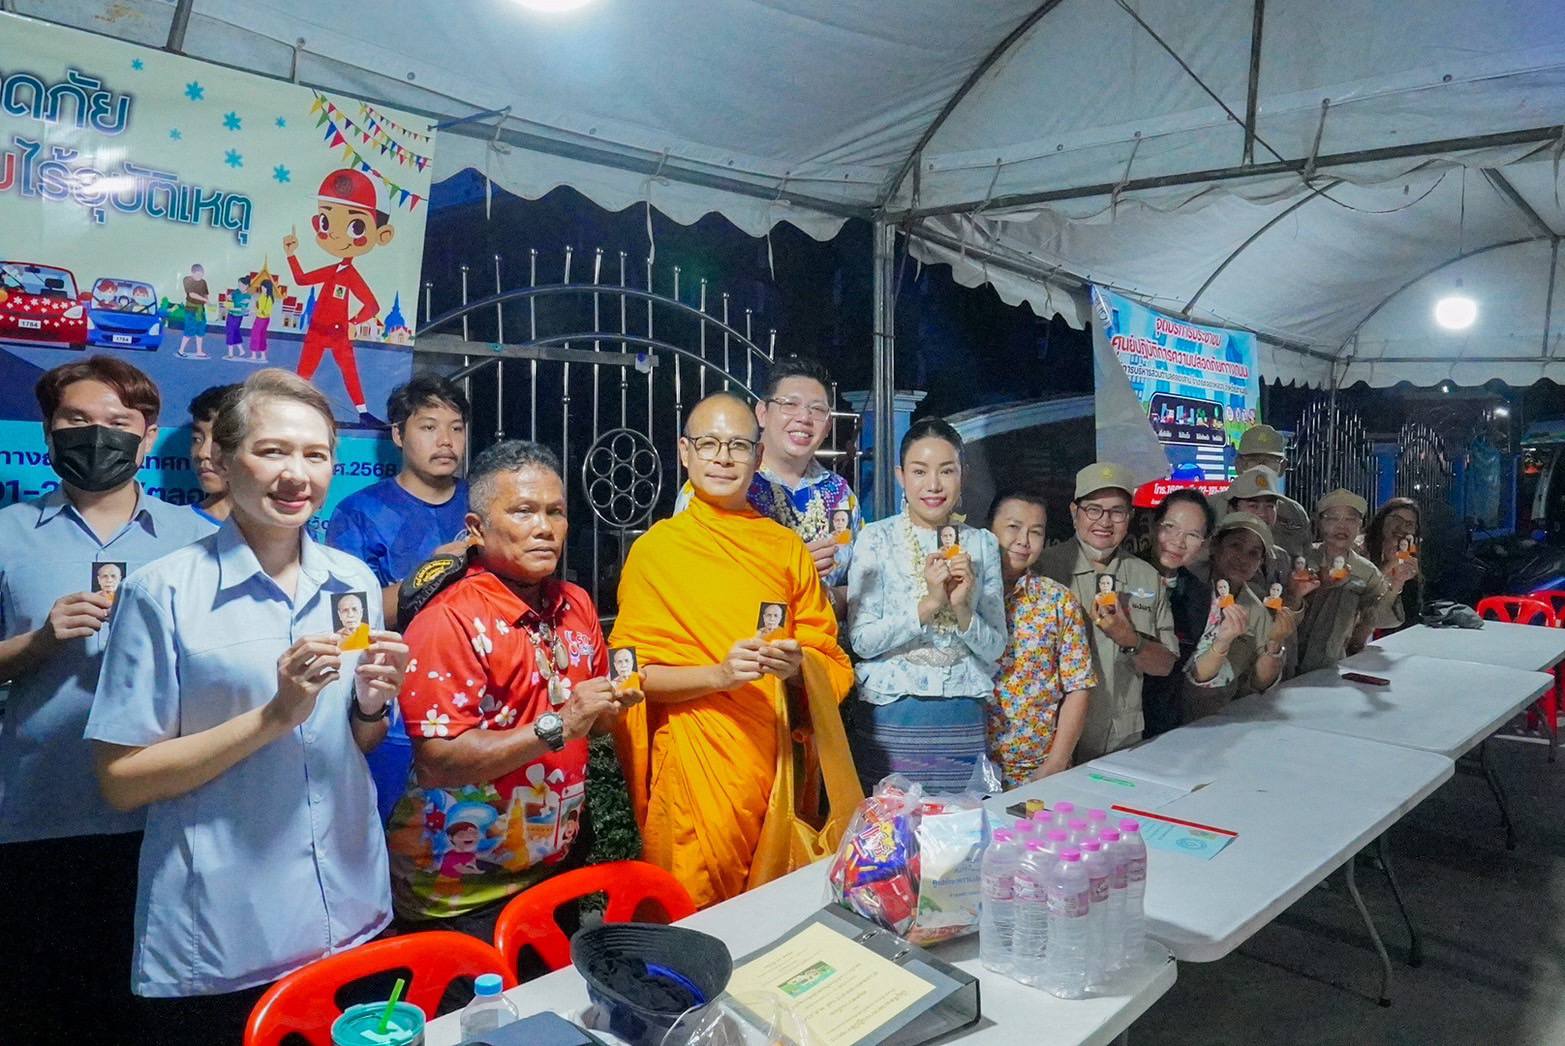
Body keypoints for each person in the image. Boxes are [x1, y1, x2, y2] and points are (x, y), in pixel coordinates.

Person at [85, 369, 410, 1044]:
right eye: (273, 451)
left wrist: (371, 708)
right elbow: (120, 781)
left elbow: (355, 744)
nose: (297, 475)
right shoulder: (164, 592)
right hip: (228, 934)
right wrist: (273, 717)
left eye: (315, 455)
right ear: (223, 460)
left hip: (352, 910)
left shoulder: (349, 580)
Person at [0, 356, 215, 1046]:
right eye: (78, 421)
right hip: (42, 816)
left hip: (171, 817)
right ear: (48, 430)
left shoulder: (201, 542)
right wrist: (37, 644)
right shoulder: (7, 535)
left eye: (118, 423)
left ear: (148, 436)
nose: (98, 435)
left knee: (158, 1012)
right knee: (51, 1007)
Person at [385, 440, 639, 942]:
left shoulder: (577, 604)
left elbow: (594, 724)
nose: (544, 528)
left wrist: (612, 704)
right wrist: (562, 723)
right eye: (523, 511)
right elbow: (439, 759)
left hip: (552, 869)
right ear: (477, 529)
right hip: (460, 891)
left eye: (555, 512)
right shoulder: (448, 620)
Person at [612, 393, 853, 908]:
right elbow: (631, 675)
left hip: (774, 770)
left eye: (738, 445)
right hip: (694, 768)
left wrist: (797, 666)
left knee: (771, 924)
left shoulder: (785, 548)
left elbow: (829, 658)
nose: (722, 457)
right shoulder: (656, 551)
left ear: (757, 455)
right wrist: (718, 676)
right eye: (708, 444)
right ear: (684, 451)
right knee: (691, 922)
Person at [328, 376, 472, 823]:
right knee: (391, 837)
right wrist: (431, 573)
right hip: (395, 714)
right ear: (397, 434)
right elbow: (352, 627)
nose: (446, 440)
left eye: (457, 427)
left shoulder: (484, 503)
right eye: (429, 427)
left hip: (475, 703)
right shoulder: (359, 512)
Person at [846, 417, 1006, 792]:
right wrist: (929, 604)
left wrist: (962, 608)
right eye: (920, 471)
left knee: (960, 836)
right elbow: (862, 642)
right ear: (901, 476)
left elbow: (996, 648)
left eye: (946, 471)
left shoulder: (981, 544)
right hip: (894, 718)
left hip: (962, 719)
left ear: (962, 476)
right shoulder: (876, 539)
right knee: (891, 836)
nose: (933, 485)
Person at [673, 357, 860, 614]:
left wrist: (825, 597)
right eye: (790, 404)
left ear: (827, 425)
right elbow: (686, 583)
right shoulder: (722, 482)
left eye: (817, 410)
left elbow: (862, 590)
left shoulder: (841, 496)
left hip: (819, 643)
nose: (804, 417)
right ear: (762, 413)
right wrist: (788, 569)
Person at [1036, 462, 1177, 760]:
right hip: (1052, 740)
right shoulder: (1044, 570)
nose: (1105, 521)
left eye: (1117, 512)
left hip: (1120, 741)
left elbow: (1165, 665)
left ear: (1130, 517)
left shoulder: (1146, 577)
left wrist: (1130, 639)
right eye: (1094, 509)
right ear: (1075, 512)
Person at [985, 490, 1095, 789]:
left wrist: (1056, 763)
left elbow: (1079, 686)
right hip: (970, 767)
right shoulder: (964, 595)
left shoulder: (1058, 601)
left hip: (1038, 772)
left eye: (1036, 532)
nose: (1024, 540)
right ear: (988, 531)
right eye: (1013, 527)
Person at [285, 169, 398, 424]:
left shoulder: (350, 274)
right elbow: (302, 279)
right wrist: (291, 255)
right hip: (317, 330)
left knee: (349, 372)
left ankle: (362, 412)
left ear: (381, 235)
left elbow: (372, 305)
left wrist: (353, 322)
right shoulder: (335, 270)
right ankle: (291, 409)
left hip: (338, 332)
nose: (335, 234)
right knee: (303, 373)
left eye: (355, 226)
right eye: (326, 223)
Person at [1180, 513, 1305, 723]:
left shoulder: (1256, 610)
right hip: (1166, 712)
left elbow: (1261, 682)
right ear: (1215, 546)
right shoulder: (1185, 588)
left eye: (1254, 553)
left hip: (1217, 717)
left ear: (1260, 563)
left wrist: (1274, 643)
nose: (1242, 558)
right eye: (1235, 546)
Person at [1294, 488, 1407, 673]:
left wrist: (1396, 585)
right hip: (1288, 665)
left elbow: (1380, 619)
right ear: (1319, 523)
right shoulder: (1301, 560)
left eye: (1350, 519)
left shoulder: (1366, 571)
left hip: (1331, 666)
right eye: (1332, 518)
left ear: (1359, 525)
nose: (1341, 526)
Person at [1138, 488, 1217, 737]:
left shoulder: (1200, 595)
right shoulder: (1119, 578)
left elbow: (1192, 670)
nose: (1178, 542)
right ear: (1153, 526)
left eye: (1192, 535)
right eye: (1170, 527)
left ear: (1204, 543)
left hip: (1164, 724)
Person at [1231, 424, 1309, 560]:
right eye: (1254, 461)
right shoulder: (1212, 508)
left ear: (1282, 467)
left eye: (1270, 461)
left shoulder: (1295, 513)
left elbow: (1306, 561)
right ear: (1239, 465)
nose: (1261, 469)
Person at [1217, 466, 1291, 600]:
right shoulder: (1217, 552)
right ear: (1232, 509)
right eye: (1253, 506)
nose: (1262, 514)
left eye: (1270, 506)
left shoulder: (1281, 558)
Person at [1365, 497, 1424, 634]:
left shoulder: (1411, 554)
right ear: (1382, 519)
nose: (1402, 527)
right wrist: (1387, 568)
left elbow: (1411, 612)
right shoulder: (1359, 549)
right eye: (1396, 519)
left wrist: (1402, 581)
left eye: (1409, 524)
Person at [189, 383, 241, 524]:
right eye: (197, 439)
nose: (202, 453)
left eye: (221, 439)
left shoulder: (298, 530)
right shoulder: (175, 528)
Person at [177, 263, 209, 359]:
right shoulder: (187, 280)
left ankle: (199, 351)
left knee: (200, 330)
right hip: (191, 310)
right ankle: (181, 350)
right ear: (193, 273)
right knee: (189, 329)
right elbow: (191, 294)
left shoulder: (203, 282)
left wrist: (207, 300)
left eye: (201, 274)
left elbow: (205, 294)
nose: (200, 276)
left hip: (201, 310)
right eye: (198, 274)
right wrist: (204, 300)